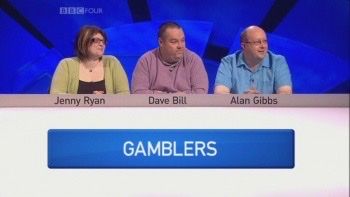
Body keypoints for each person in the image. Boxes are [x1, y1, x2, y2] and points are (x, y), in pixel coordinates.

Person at [131, 21, 208, 94]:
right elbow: (138, 92)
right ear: (161, 42)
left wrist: (156, 94)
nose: (180, 46)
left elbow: (200, 93)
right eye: (174, 41)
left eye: (182, 41)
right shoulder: (146, 61)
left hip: (186, 108)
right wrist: (175, 97)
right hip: (155, 108)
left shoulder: (194, 60)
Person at [50, 25, 129, 94]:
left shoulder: (112, 62)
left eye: (103, 41)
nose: (101, 44)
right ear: (83, 42)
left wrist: (105, 100)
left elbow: (124, 95)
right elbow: (56, 95)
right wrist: (88, 101)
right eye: (96, 40)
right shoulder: (66, 65)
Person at [214, 25, 292, 94]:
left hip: (269, 110)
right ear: (244, 46)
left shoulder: (278, 61)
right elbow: (220, 94)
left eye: (265, 42)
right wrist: (243, 101)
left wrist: (260, 101)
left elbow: (285, 94)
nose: (263, 46)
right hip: (237, 110)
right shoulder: (228, 62)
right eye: (257, 42)